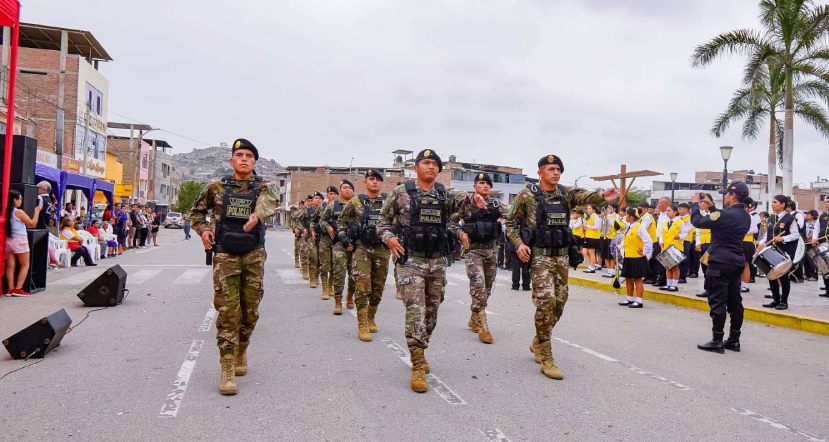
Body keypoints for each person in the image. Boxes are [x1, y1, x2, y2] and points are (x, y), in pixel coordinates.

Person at [505, 154, 618, 380]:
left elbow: (584, 195)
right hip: (539, 258)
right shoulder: (527, 195)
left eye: (558, 169)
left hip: (562, 258)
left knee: (559, 304)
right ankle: (546, 356)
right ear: (540, 172)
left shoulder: (565, 194)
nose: (556, 172)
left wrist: (602, 196)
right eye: (551, 169)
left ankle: (538, 340)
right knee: (546, 302)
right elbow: (510, 223)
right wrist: (518, 244)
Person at [190, 138, 278, 395]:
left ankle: (242, 349)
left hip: (253, 255)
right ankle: (227, 367)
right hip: (225, 256)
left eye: (249, 155)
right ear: (231, 160)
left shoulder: (266, 186)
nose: (243, 158)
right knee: (228, 311)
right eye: (239, 154)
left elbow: (268, 203)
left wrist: (256, 216)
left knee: (250, 311)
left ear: (255, 161)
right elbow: (195, 213)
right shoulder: (215, 187)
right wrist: (204, 231)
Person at [377, 149, 463, 393]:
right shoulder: (401, 192)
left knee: (432, 312)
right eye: (426, 162)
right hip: (411, 261)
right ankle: (416, 363)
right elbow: (382, 223)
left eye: (435, 164)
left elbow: (455, 214)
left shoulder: (443, 194)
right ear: (415, 167)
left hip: (436, 262)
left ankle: (421, 347)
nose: (431, 167)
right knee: (416, 310)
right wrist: (390, 238)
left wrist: (475, 200)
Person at [691, 183, 751, 353]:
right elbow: (721, 217)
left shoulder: (726, 215)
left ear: (733, 196)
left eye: (726, 194)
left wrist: (695, 204)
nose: (724, 196)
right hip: (736, 260)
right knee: (735, 302)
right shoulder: (745, 215)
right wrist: (710, 206)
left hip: (720, 261)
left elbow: (698, 222)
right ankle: (734, 340)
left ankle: (717, 340)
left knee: (718, 301)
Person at [338, 169, 392, 341]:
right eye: (371, 179)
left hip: (382, 249)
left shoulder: (388, 202)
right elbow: (341, 221)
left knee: (378, 288)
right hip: (362, 249)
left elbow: (397, 221)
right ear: (365, 182)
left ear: (381, 183)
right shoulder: (356, 202)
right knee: (362, 285)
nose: (375, 182)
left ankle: (371, 317)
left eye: (377, 179)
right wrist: (344, 238)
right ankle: (362, 324)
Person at [452, 172, 506, 344]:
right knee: (478, 284)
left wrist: (503, 222)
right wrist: (461, 234)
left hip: (491, 251)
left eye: (487, 184)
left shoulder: (497, 205)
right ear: (474, 186)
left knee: (487, 288)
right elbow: (450, 222)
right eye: (481, 183)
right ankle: (483, 327)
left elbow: (514, 216)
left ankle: (474, 315)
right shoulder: (465, 205)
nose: (484, 186)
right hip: (473, 251)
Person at [322, 181, 356, 313]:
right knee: (339, 272)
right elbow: (322, 220)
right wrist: (329, 228)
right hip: (339, 244)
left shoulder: (358, 204)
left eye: (350, 188)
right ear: (340, 191)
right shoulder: (332, 205)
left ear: (353, 191)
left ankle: (350, 296)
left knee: (354, 274)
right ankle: (338, 302)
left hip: (355, 245)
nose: (347, 190)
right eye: (344, 188)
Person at [761, 195, 799, 310]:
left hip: (784, 252)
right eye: (772, 202)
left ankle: (784, 302)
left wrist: (783, 238)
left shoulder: (790, 219)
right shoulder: (771, 218)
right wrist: (762, 243)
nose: (772, 204)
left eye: (775, 202)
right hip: (771, 251)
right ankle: (775, 300)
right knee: (771, 276)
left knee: (783, 277)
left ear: (783, 204)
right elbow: (767, 235)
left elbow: (796, 235)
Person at [4, 190, 41, 297]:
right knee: (25, 265)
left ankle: (10, 289)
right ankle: (18, 288)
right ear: (15, 200)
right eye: (20, 198)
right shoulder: (18, 212)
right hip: (19, 240)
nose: (21, 201)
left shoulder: (5, 211)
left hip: (9, 239)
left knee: (10, 267)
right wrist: (37, 211)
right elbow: (32, 223)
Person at [617, 207, 653, 308]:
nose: (626, 217)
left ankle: (639, 300)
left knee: (637, 279)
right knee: (628, 278)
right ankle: (629, 298)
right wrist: (619, 246)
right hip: (628, 256)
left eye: (627, 215)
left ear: (631, 217)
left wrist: (644, 252)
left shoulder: (640, 228)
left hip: (637, 257)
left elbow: (649, 241)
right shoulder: (629, 227)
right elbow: (625, 241)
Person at [312, 186, 338, 300]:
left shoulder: (342, 206)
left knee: (334, 264)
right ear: (327, 195)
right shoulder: (321, 207)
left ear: (337, 195)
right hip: (325, 238)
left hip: (337, 239)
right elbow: (313, 220)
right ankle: (325, 289)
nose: (332, 195)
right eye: (330, 193)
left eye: (334, 194)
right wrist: (312, 230)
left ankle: (331, 286)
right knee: (324, 264)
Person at [658, 205, 683, 292]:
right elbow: (662, 234)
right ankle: (668, 284)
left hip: (675, 246)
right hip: (666, 246)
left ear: (675, 212)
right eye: (666, 211)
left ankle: (674, 285)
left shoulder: (680, 222)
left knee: (675, 266)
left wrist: (679, 236)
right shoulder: (665, 223)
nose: (667, 212)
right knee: (668, 266)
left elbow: (685, 233)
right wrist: (661, 241)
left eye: (669, 211)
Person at [786, 202, 806, 284]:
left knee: (797, 257)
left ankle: (799, 276)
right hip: (788, 239)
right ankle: (790, 275)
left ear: (790, 207)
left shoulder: (798, 215)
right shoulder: (787, 216)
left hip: (797, 239)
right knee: (789, 257)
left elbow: (800, 226)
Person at [813, 199, 829, 296]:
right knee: (824, 268)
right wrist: (815, 238)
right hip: (822, 244)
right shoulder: (822, 216)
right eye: (826, 202)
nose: (827, 204)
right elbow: (816, 228)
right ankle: (827, 290)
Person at [581, 204, 601, 272]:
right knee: (584, 252)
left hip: (593, 237)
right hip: (588, 236)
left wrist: (587, 226)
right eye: (587, 208)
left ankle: (592, 267)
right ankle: (589, 266)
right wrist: (585, 228)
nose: (588, 209)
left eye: (589, 208)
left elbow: (596, 227)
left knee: (591, 252)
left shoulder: (596, 217)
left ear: (594, 210)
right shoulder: (590, 217)